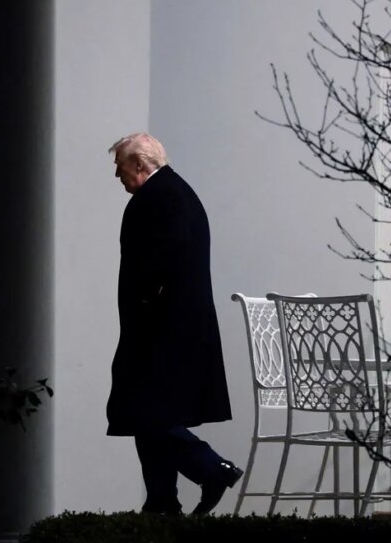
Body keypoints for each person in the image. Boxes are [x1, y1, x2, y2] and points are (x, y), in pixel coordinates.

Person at [105, 133, 242, 515]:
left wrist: (147, 300)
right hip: (167, 328)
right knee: (148, 414)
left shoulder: (161, 196)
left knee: (146, 413)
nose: (117, 175)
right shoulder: (174, 192)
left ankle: (211, 469)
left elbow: (162, 257)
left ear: (138, 164)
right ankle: (161, 503)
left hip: (161, 331)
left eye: (120, 167)